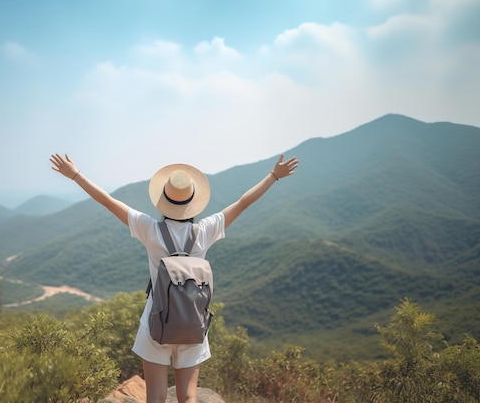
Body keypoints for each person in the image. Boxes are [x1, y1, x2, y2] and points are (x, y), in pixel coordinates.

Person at [50, 152, 299, 403]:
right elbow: (243, 202)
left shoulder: (149, 228)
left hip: (156, 320)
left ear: (163, 200)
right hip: (192, 321)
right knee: (188, 396)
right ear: (193, 202)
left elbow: (107, 201)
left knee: (155, 398)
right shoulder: (205, 230)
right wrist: (273, 176)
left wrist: (75, 175)